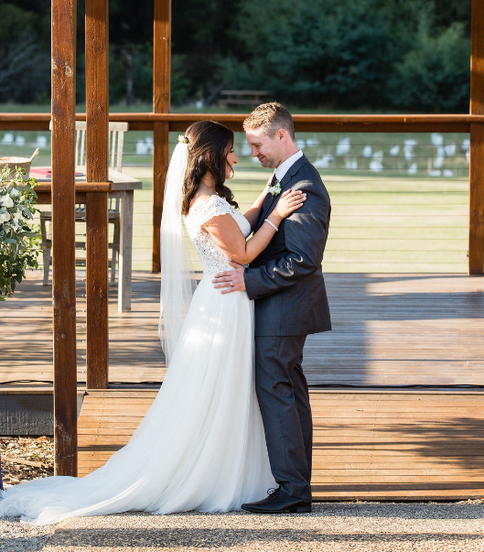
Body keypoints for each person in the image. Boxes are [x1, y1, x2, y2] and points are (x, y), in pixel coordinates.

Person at [0, 120, 306, 524]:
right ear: (211, 155)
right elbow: (245, 252)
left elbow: (240, 224)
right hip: (225, 306)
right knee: (216, 390)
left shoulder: (211, 200)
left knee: (226, 391)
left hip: (227, 300)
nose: (236, 156)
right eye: (231, 149)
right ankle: (206, 473)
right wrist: (278, 214)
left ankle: (229, 467)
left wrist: (266, 197)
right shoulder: (207, 206)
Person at [213, 103, 331, 514]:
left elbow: (302, 259)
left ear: (281, 136)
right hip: (283, 306)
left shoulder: (305, 187)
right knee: (290, 394)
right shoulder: (284, 180)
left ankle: (292, 490)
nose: (253, 153)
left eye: (257, 144)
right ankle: (296, 485)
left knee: (276, 392)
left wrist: (249, 281)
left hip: (286, 307)